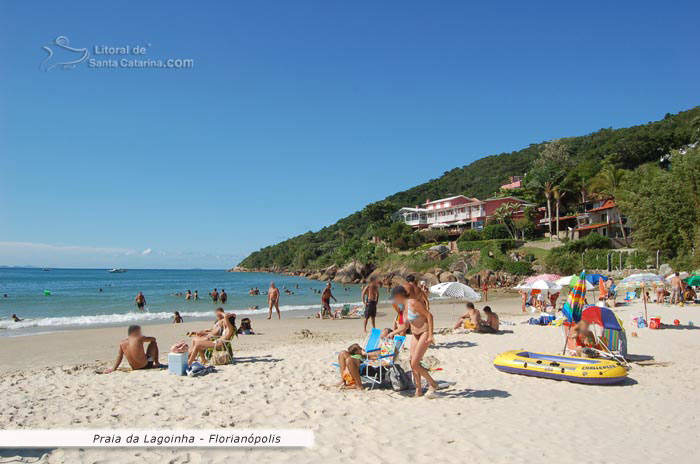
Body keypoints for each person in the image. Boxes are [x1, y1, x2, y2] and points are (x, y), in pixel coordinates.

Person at [389, 286, 443, 398]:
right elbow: (405, 326)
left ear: (399, 296)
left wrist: (431, 335)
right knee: (411, 361)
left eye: (394, 298)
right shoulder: (402, 307)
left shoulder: (413, 303)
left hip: (424, 332)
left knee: (415, 363)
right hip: (415, 334)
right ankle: (418, 390)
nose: (393, 300)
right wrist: (393, 333)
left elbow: (429, 315)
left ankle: (432, 383)